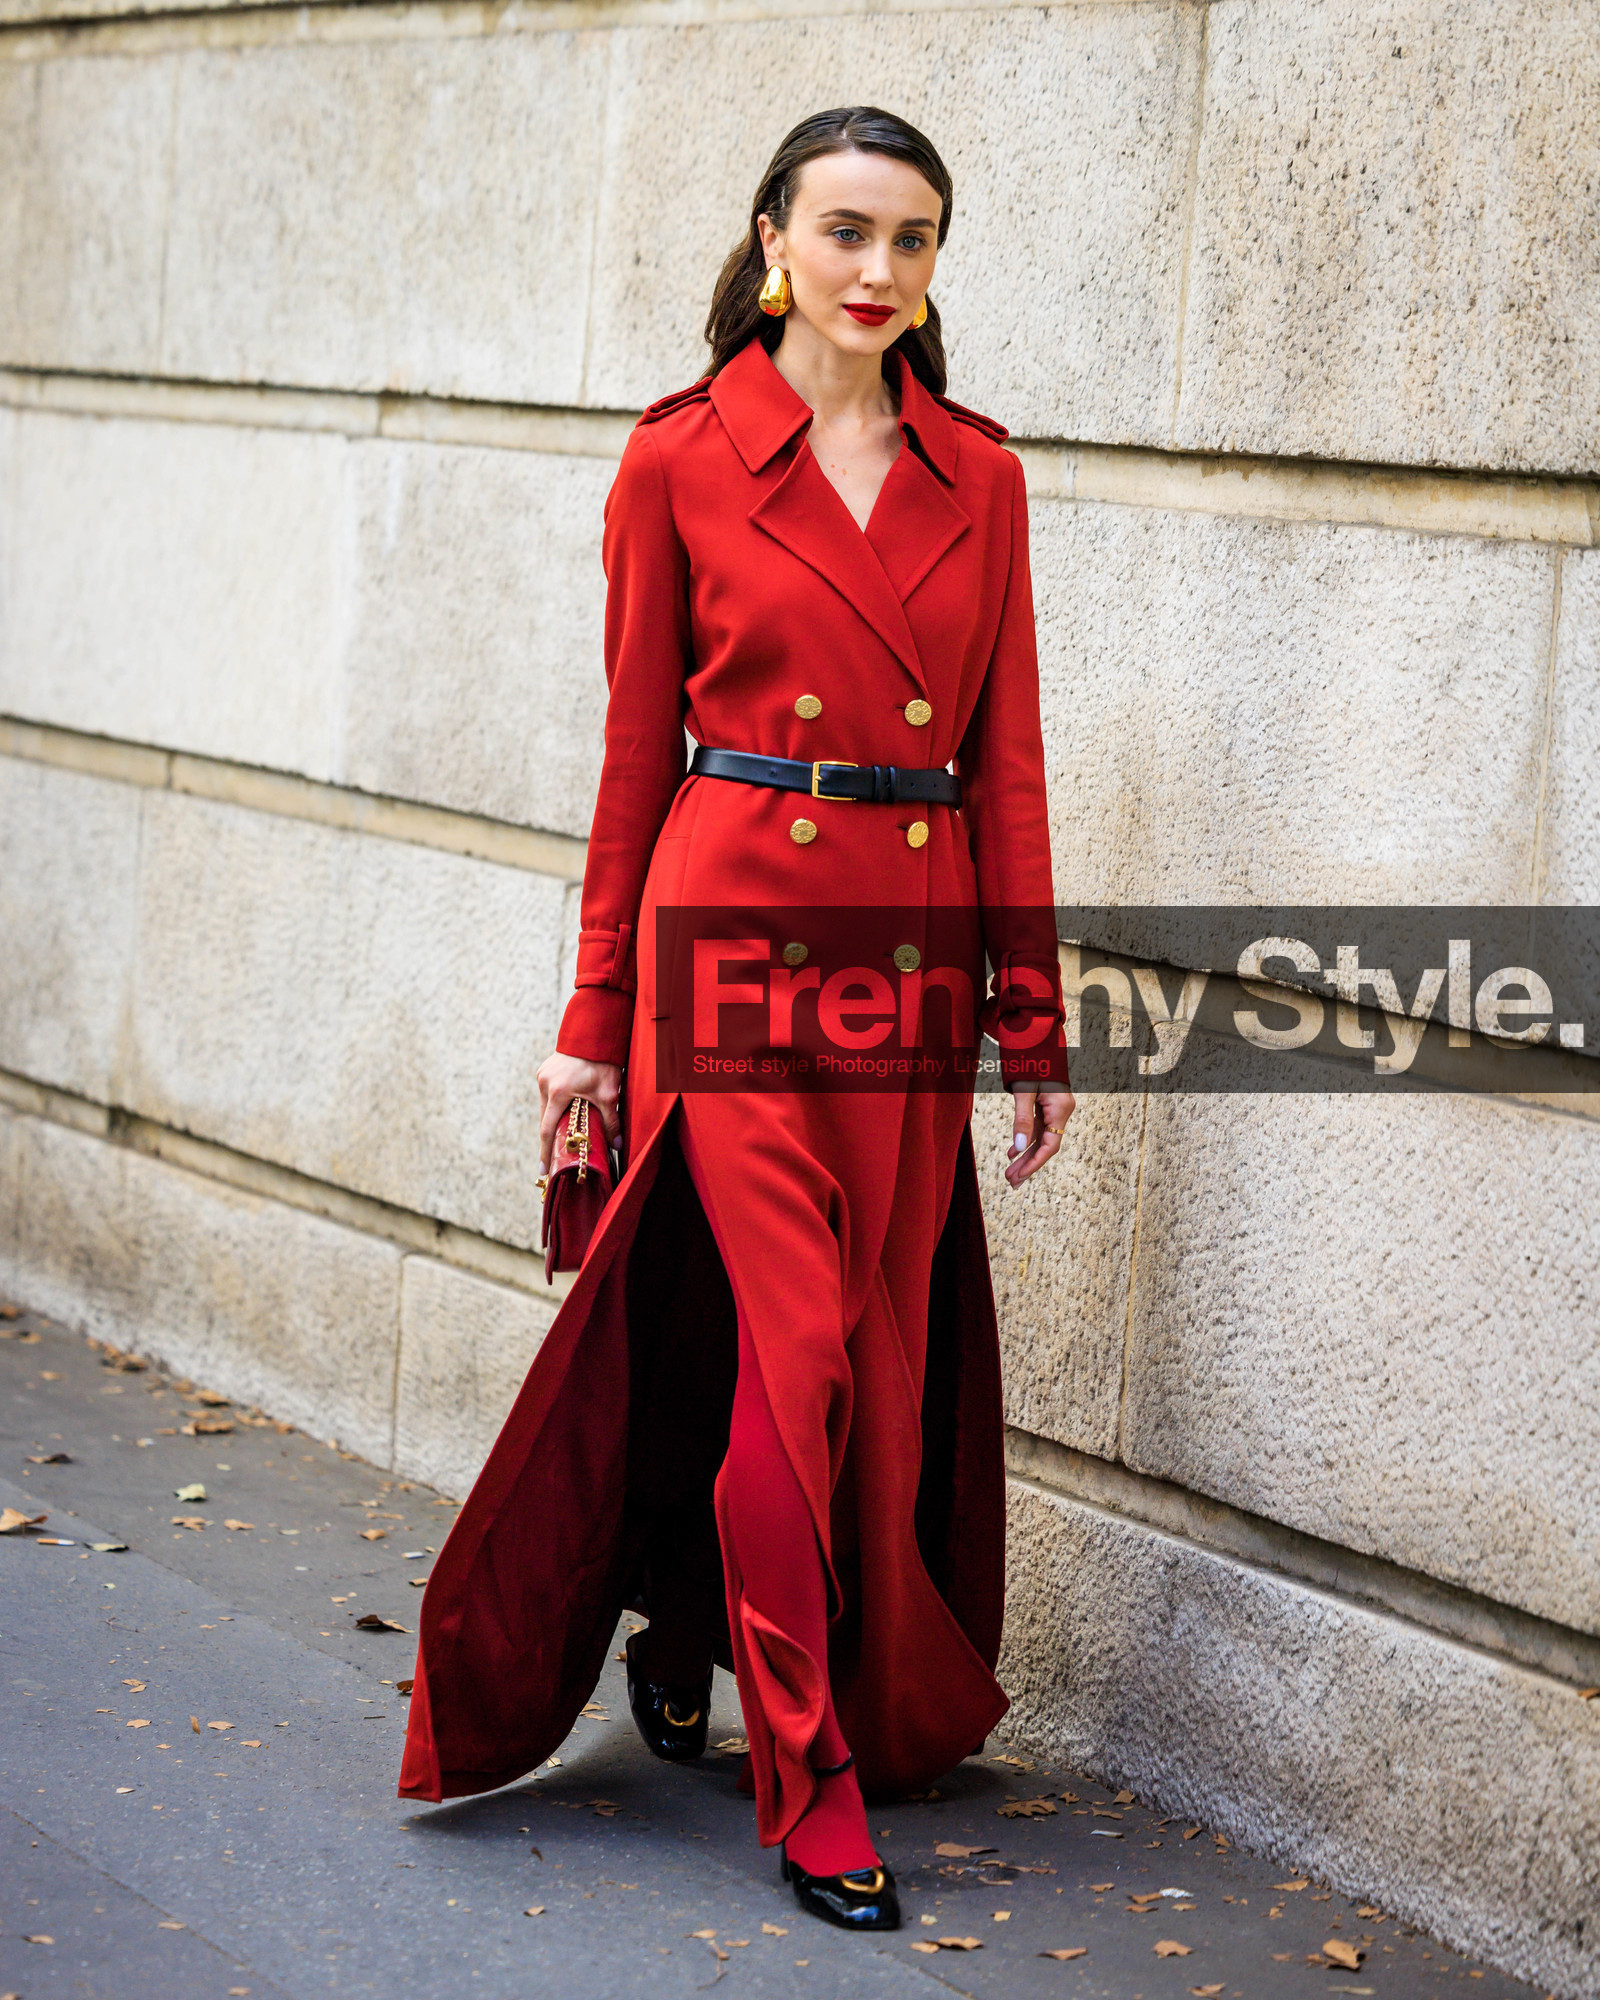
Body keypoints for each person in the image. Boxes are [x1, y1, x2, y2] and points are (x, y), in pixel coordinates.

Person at [399, 104, 1074, 1934]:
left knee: (876, 1364)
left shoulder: (983, 478)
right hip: (734, 932)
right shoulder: (681, 460)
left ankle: (697, 1613)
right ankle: (810, 1773)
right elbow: (634, 763)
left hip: (908, 954)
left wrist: (1032, 1013)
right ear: (773, 241)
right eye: (845, 231)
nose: (878, 270)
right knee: (800, 1356)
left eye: (912, 239)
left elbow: (1007, 765)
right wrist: (590, 1017)